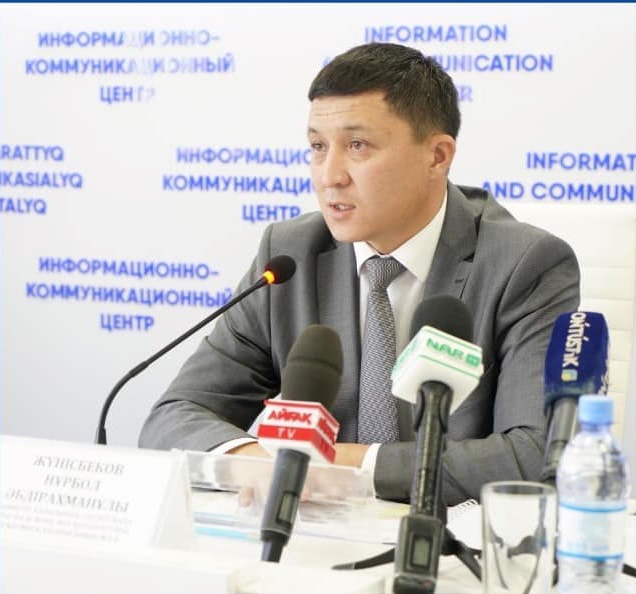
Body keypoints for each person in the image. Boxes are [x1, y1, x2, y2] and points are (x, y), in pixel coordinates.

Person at [139, 42, 580, 505]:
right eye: (317, 147)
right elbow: (174, 416)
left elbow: (535, 455)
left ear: (437, 156)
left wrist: (327, 468)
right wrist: (257, 462)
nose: (330, 175)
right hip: (313, 534)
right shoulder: (289, 256)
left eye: (357, 146)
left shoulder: (525, 264)